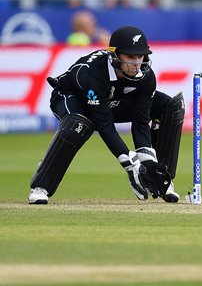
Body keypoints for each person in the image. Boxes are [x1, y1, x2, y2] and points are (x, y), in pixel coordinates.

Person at [28, 26, 185, 205]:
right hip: (70, 98)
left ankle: (162, 181)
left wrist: (146, 163)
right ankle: (41, 187)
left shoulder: (146, 76)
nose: (136, 63)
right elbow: (104, 124)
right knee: (78, 125)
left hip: (112, 101)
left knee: (170, 107)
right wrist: (130, 164)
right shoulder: (91, 74)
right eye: (131, 57)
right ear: (114, 55)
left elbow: (141, 121)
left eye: (140, 56)